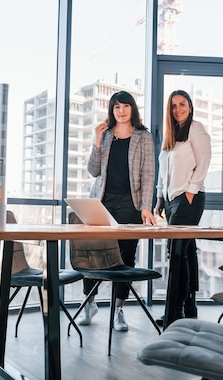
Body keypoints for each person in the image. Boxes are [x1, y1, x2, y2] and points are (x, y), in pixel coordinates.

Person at [76, 90, 157, 332]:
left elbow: (148, 175)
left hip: (129, 204)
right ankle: (89, 302)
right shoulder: (107, 135)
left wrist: (145, 207)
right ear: (111, 111)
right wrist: (96, 141)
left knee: (125, 258)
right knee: (92, 253)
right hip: (102, 201)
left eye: (125, 107)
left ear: (132, 109)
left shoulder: (143, 137)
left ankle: (118, 310)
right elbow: (93, 171)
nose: (120, 111)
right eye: (116, 107)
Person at [155, 89, 211, 325]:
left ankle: (174, 312)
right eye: (174, 105)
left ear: (190, 106)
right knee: (185, 253)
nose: (178, 109)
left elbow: (205, 160)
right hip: (171, 201)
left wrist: (191, 190)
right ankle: (189, 308)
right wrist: (159, 198)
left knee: (177, 254)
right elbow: (163, 171)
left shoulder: (196, 129)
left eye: (182, 104)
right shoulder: (171, 135)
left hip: (188, 199)